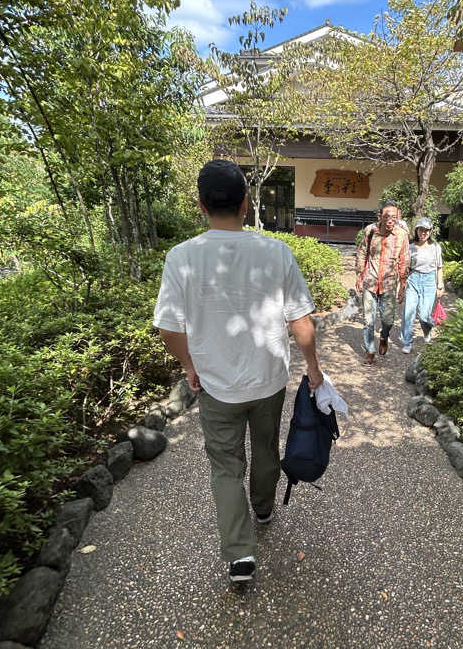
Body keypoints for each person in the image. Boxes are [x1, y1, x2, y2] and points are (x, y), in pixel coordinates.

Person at [153, 159, 323, 585]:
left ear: (200, 205)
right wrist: (315, 370)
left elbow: (168, 327)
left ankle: (239, 554)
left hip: (216, 386)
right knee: (266, 447)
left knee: (226, 466)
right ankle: (263, 509)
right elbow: (301, 322)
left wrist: (189, 365)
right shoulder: (276, 251)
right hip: (267, 380)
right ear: (246, 204)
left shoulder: (182, 257)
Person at [355, 200, 410, 364]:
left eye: (395, 216)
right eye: (388, 216)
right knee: (368, 320)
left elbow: (404, 259)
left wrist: (403, 285)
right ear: (380, 216)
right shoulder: (370, 231)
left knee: (388, 320)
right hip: (370, 281)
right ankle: (370, 350)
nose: (391, 219)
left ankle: (384, 336)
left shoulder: (402, 235)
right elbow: (362, 252)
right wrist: (359, 275)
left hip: (389, 284)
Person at [400, 217, 444, 353]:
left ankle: (427, 331)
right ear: (417, 231)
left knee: (425, 315)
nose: (423, 233)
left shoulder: (436, 247)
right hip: (414, 279)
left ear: (430, 232)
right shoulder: (411, 247)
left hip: (430, 280)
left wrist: (440, 284)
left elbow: (439, 267)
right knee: (409, 312)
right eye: (421, 230)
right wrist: (401, 286)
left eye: (426, 230)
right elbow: (405, 269)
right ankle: (407, 342)